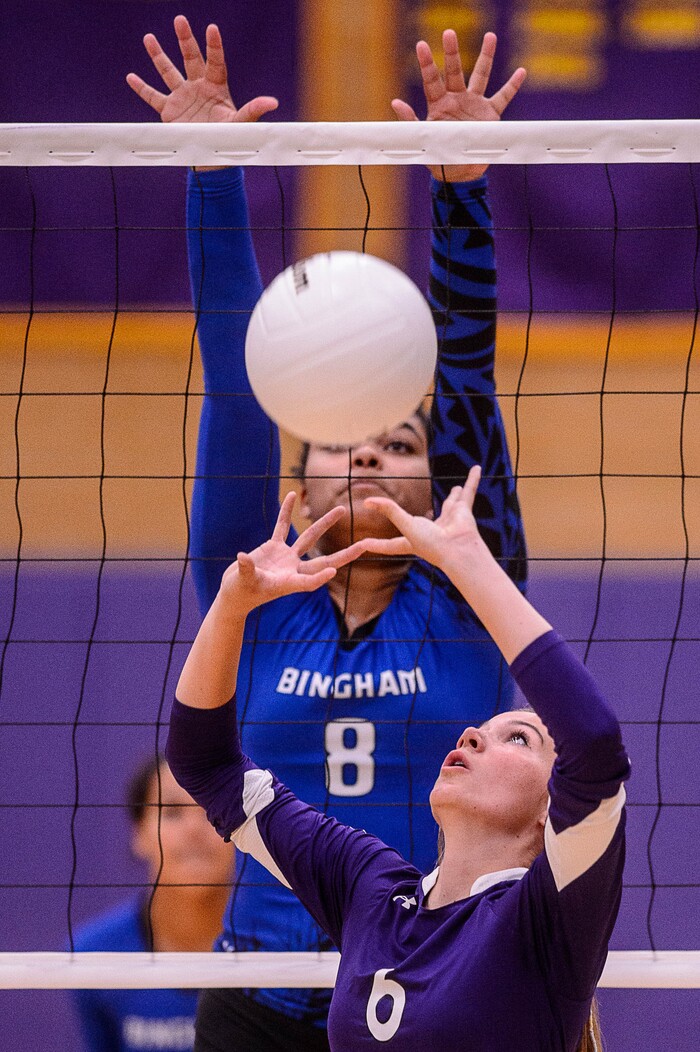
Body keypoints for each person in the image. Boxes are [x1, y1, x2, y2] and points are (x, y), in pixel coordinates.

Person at [127, 16, 527, 1048]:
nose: (366, 455)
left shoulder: (468, 593)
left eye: (397, 442)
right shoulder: (254, 593)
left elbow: (468, 375)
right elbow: (235, 371)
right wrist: (213, 168)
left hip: (428, 990)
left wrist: (459, 186)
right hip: (259, 996)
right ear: (295, 485)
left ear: (431, 477)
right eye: (339, 441)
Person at [167, 468, 630, 1052]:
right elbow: (205, 765)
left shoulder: (549, 914)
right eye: (480, 730)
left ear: (552, 812)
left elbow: (594, 742)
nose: (472, 736)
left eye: (518, 738)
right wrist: (232, 604)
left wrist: (469, 563)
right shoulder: (370, 889)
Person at [71, 757, 234, 1052]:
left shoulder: (288, 947)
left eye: (214, 811)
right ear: (139, 834)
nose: (195, 828)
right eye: (171, 812)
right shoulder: (94, 956)